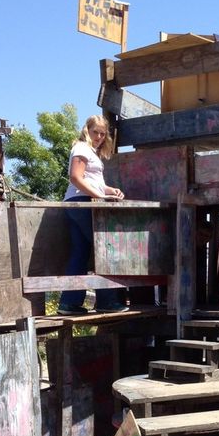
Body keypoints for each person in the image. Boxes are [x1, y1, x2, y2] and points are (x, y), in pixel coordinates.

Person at [57, 115, 129, 315]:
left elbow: (92, 182)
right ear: (86, 130)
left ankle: (69, 303)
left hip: (76, 203)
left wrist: (109, 190)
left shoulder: (90, 151)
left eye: (102, 133)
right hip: (83, 204)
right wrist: (98, 196)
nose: (98, 136)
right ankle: (106, 301)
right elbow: (75, 177)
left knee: (80, 252)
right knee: (103, 249)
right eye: (95, 132)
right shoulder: (81, 148)